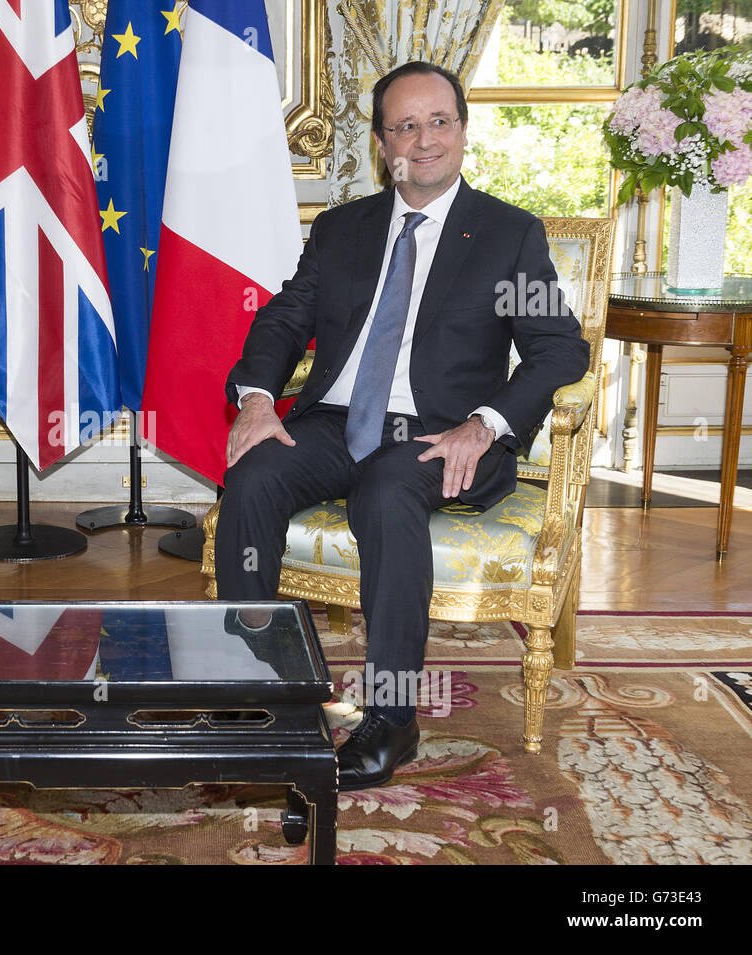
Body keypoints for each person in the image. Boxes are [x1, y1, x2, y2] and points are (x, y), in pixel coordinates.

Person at [216, 62, 590, 790]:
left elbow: (559, 346)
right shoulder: (341, 228)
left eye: (438, 122)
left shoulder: (510, 235)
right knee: (253, 473)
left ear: (463, 130)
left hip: (445, 432)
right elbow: (285, 318)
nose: (424, 140)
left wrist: (486, 424)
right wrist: (258, 398)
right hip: (334, 420)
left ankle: (391, 717)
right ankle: (265, 689)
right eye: (405, 126)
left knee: (386, 490)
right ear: (383, 141)